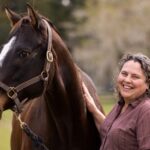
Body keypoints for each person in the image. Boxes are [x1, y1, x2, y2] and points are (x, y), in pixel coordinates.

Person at [82, 53, 150, 150]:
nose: (127, 80)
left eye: (135, 76)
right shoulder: (120, 105)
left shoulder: (146, 110)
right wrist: (94, 110)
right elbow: (111, 132)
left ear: (147, 83)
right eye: (124, 74)